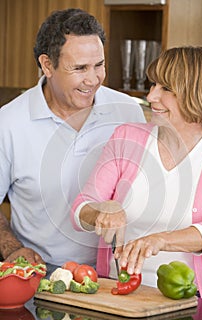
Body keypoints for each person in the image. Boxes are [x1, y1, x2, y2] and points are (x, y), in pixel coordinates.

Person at [71, 46, 202, 303]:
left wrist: (160, 240)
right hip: (119, 295)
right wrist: (103, 209)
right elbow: (81, 207)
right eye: (154, 85)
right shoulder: (127, 137)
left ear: (197, 93)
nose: (151, 96)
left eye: (165, 89)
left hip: (194, 300)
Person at [0, 8, 145, 273]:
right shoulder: (8, 123)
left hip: (114, 275)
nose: (93, 79)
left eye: (99, 65)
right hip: (44, 274)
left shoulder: (128, 111)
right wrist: (13, 248)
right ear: (47, 65)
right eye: (79, 68)